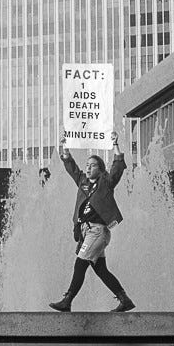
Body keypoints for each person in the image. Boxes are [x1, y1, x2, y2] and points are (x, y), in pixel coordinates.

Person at [49, 131, 136, 313]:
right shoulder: (82, 181)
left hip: (98, 231)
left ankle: (67, 300)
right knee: (101, 269)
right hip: (87, 232)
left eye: (92, 165)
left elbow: (118, 167)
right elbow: (71, 166)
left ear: (101, 168)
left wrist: (116, 144)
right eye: (87, 165)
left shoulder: (106, 182)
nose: (88, 168)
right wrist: (64, 146)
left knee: (80, 263)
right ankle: (124, 299)